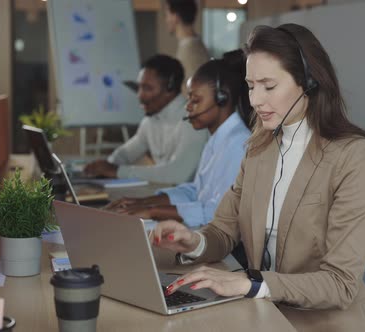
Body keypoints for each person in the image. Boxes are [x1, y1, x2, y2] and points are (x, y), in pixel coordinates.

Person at [151, 24, 365, 332]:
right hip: (263, 316)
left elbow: (341, 284)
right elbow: (223, 231)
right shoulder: (258, 149)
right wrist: (193, 241)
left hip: (324, 322)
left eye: (268, 86)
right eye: (250, 86)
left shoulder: (352, 155)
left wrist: (251, 283)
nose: (256, 100)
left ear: (309, 83)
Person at [105, 52, 251, 228]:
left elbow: (218, 212)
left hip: (224, 247)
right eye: (188, 98)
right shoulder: (217, 139)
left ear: (222, 99)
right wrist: (142, 203)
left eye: (195, 100)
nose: (187, 106)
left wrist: (153, 211)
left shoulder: (237, 144)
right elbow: (196, 191)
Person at [84, 54, 208, 184]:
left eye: (147, 88)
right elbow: (126, 153)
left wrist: (117, 171)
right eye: (139, 87)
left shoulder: (193, 118)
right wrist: (105, 166)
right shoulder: (150, 121)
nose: (139, 96)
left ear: (170, 88)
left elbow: (178, 174)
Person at [165, 0, 209, 92]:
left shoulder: (190, 49)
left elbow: (193, 89)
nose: (166, 19)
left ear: (175, 17)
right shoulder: (192, 45)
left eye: (168, 15)